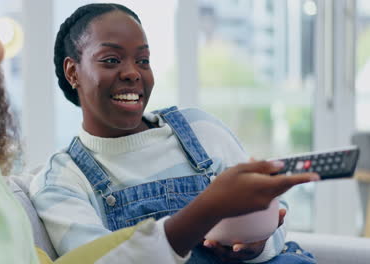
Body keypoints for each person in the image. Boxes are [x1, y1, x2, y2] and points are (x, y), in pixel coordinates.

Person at [30, 3, 319, 264]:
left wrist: (258, 244)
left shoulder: (199, 129)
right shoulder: (62, 179)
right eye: (111, 60)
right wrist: (205, 211)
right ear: (73, 72)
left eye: (143, 60)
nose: (133, 73)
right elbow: (106, 261)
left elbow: (274, 209)